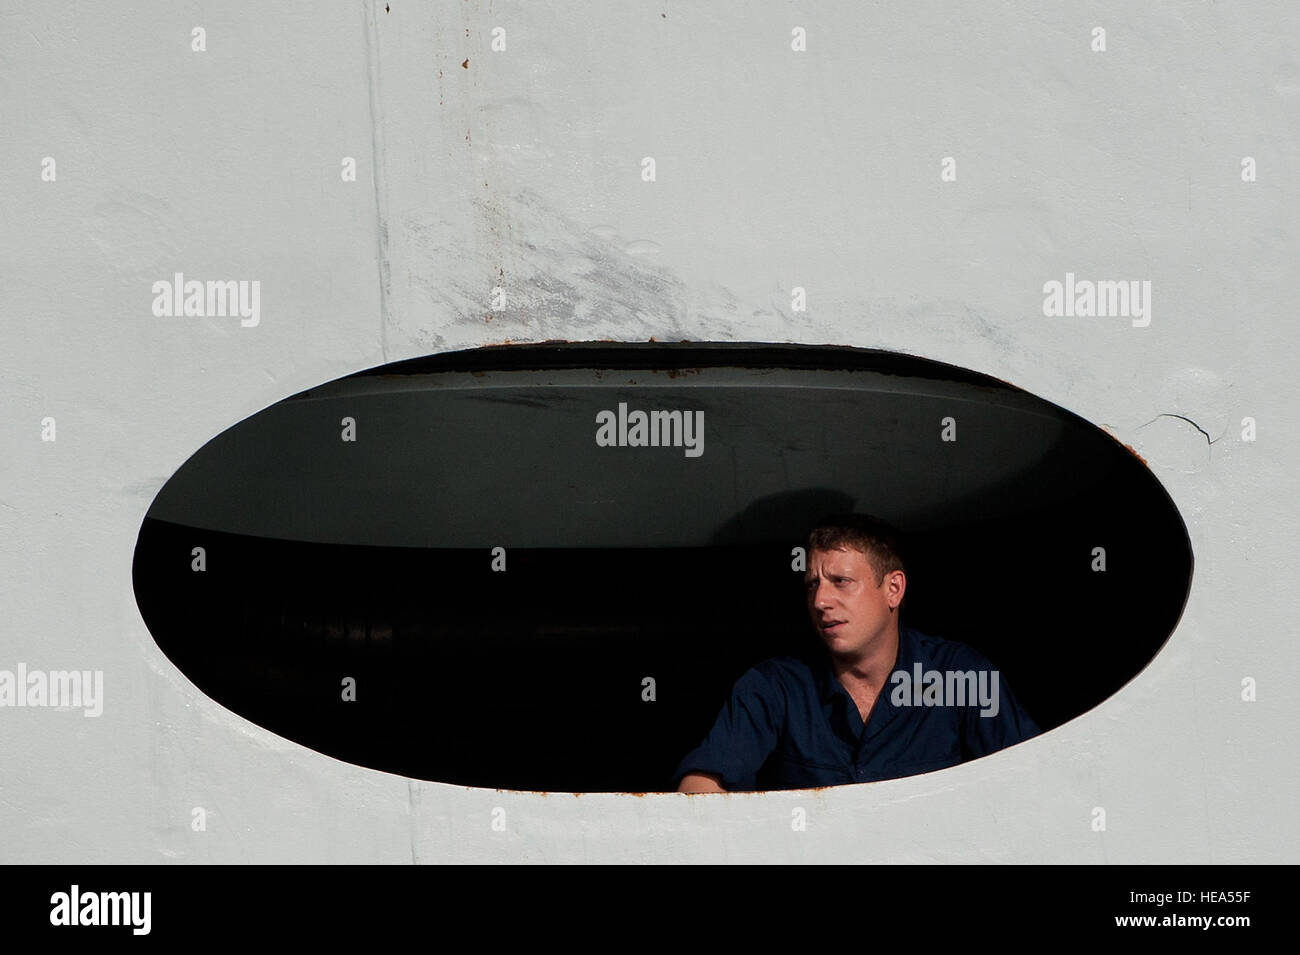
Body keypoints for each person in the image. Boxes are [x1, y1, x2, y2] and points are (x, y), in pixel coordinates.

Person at [674, 513, 1040, 792]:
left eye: (841, 582)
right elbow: (699, 786)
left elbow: (1037, 778)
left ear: (893, 589)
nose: (820, 600)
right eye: (812, 584)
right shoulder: (775, 687)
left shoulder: (960, 676)